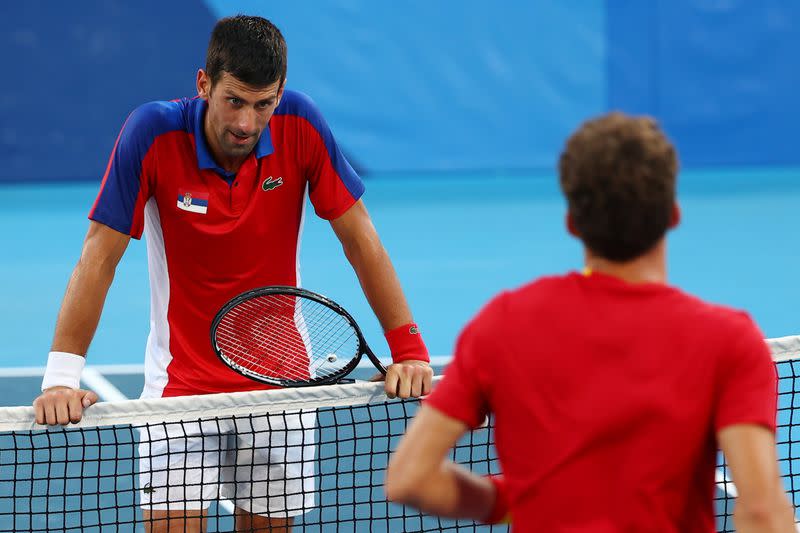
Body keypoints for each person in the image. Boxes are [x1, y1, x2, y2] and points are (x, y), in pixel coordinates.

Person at [32, 14, 433, 533]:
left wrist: (408, 349)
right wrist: (62, 377)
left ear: (280, 94)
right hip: (181, 389)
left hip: (281, 389)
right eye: (235, 101)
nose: (247, 122)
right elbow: (98, 258)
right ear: (204, 84)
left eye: (264, 104)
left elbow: (361, 239)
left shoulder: (301, 123)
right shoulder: (151, 132)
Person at [386, 112, 795, 532]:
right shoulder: (730, 340)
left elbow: (411, 476)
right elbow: (762, 511)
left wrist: (511, 500)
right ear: (673, 214)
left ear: (572, 223)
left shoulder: (502, 324)